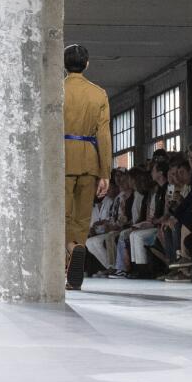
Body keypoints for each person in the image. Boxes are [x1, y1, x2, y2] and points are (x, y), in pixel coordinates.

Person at [62, 43, 112, 291]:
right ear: (87, 64)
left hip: (60, 157)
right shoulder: (98, 93)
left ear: (63, 64)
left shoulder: (56, 90)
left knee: (61, 215)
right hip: (90, 159)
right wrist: (106, 172)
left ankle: (70, 251)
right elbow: (104, 135)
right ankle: (76, 262)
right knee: (82, 218)